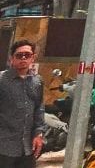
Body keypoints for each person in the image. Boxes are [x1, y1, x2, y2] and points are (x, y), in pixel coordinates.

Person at [0, 39, 44, 168]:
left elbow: (39, 109)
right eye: (19, 55)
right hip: (3, 146)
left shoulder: (37, 81)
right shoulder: (2, 80)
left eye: (27, 55)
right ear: (11, 59)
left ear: (33, 58)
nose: (23, 58)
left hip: (27, 148)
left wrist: (38, 134)